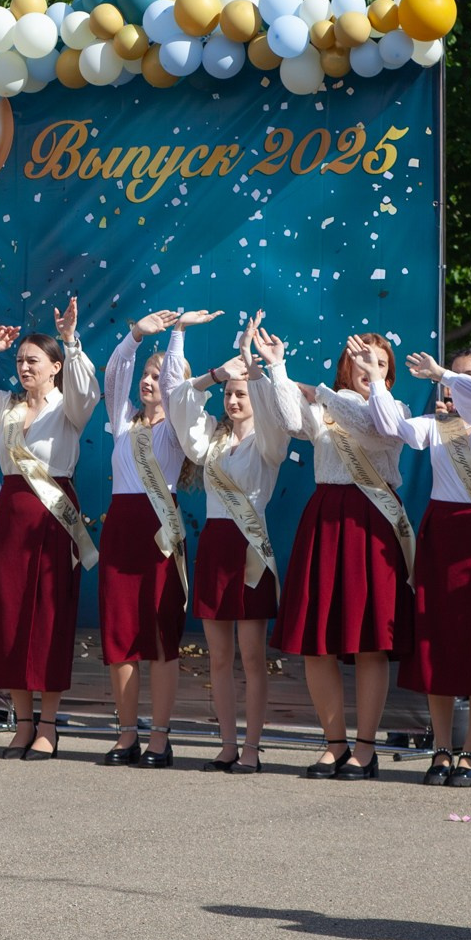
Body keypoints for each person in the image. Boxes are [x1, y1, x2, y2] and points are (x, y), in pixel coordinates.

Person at [371, 345, 471, 788]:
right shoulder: (440, 426)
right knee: (437, 642)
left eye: (468, 376)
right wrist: (376, 379)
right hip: (440, 532)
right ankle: (441, 747)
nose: (453, 385)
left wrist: (449, 375)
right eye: (450, 378)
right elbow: (393, 427)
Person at [0, 300, 100, 759]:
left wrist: (72, 340)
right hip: (14, 516)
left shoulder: (69, 408)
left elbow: (87, 391)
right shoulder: (8, 408)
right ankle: (21, 723)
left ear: (55, 367)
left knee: (51, 619)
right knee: (13, 616)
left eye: (32, 360)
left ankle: (50, 725)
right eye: (18, 361)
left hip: (55, 516)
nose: (23, 368)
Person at [275, 333, 418, 780]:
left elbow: (374, 428)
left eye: (376, 360)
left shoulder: (396, 409)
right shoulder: (325, 408)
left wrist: (340, 390)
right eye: (356, 357)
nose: (363, 363)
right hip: (326, 519)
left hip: (371, 522)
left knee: (369, 641)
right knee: (319, 642)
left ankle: (366, 747)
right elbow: (287, 417)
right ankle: (334, 743)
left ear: (388, 372)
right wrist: (278, 368)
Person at [165, 315, 295, 775]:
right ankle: (226, 743)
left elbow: (280, 412)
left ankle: (254, 747)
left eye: (241, 394)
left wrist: (253, 366)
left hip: (250, 550)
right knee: (218, 656)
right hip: (217, 546)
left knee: (253, 657)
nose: (234, 400)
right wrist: (216, 373)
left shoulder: (269, 442)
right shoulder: (210, 441)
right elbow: (177, 400)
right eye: (229, 394)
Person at [94, 310, 195, 768]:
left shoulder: (177, 427)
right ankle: (126, 733)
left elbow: (177, 388)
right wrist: (136, 335)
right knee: (120, 631)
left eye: (157, 377)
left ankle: (160, 737)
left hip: (159, 529)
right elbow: (115, 373)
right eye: (147, 377)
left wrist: (176, 339)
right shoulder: (122, 420)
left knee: (160, 633)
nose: (149, 382)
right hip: (121, 527)